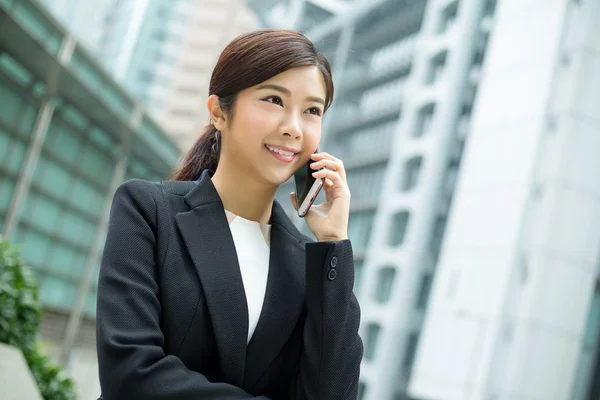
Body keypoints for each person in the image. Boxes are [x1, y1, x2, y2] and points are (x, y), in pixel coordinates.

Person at [95, 28, 363, 400]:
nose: (293, 128)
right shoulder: (149, 211)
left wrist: (333, 244)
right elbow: (130, 373)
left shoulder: (310, 264)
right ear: (219, 112)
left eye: (312, 111)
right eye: (273, 99)